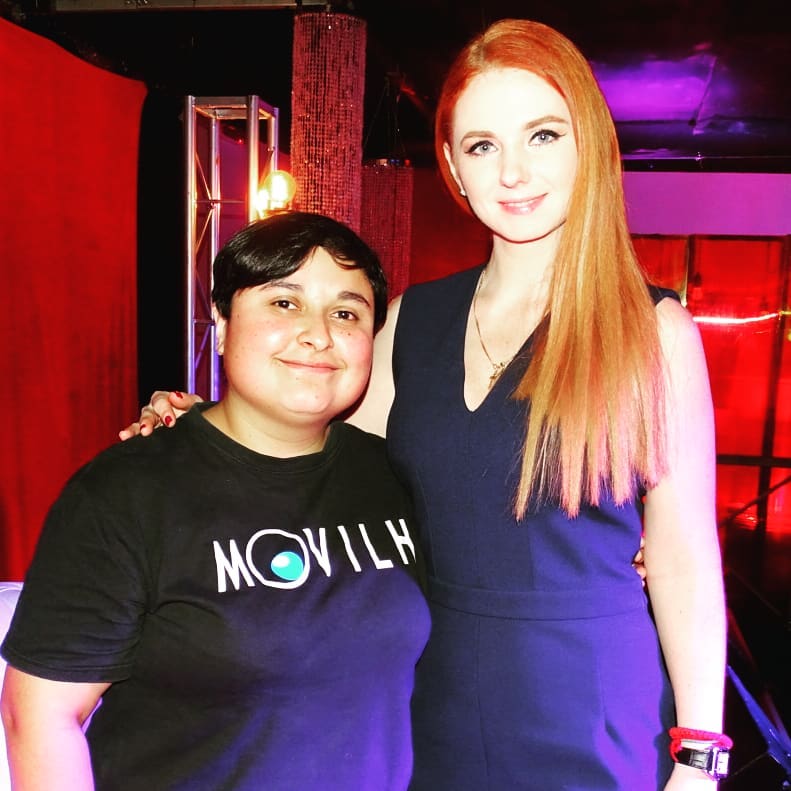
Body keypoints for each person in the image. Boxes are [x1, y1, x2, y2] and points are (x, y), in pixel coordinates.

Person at [120, 18, 729, 791]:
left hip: (589, 703)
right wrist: (204, 428)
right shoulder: (413, 320)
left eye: (542, 135)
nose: (512, 172)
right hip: (426, 690)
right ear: (452, 167)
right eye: (482, 146)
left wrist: (698, 757)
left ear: (589, 144)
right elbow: (315, 471)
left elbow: (682, 558)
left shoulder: (654, 331)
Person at [0, 212, 431, 791]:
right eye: (285, 303)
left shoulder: (393, 476)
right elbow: (39, 716)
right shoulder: (126, 493)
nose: (318, 334)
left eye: (346, 313)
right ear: (222, 325)